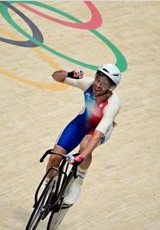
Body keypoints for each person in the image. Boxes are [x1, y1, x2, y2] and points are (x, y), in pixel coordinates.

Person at [44, 63, 122, 208]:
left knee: (86, 145)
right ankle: (49, 187)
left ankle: (78, 181)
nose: (98, 85)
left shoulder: (113, 104)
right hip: (83, 121)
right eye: (98, 79)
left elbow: (98, 135)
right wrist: (68, 74)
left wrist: (81, 156)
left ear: (110, 89)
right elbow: (56, 77)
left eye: (104, 84)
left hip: (100, 130)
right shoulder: (88, 84)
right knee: (55, 157)